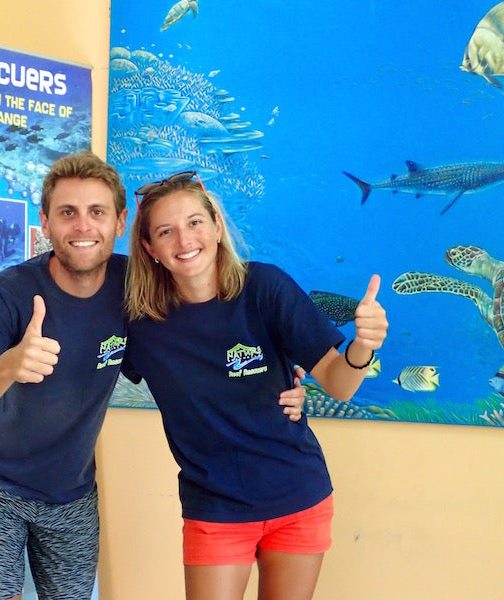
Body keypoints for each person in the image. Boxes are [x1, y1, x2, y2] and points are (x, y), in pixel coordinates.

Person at [0, 152, 308, 600]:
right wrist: (8, 365)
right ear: (45, 222)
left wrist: (279, 381)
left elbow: (205, 341)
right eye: (67, 213)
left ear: (119, 222)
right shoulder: (8, 292)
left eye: (96, 212)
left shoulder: (137, 289)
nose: (82, 226)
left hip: (71, 495)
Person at [122, 171, 388, 600]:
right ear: (150, 248)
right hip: (215, 507)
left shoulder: (265, 288)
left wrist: (363, 347)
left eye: (194, 223)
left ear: (216, 226)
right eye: (166, 231)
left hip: (297, 497)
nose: (184, 240)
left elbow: (340, 385)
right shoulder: (140, 320)